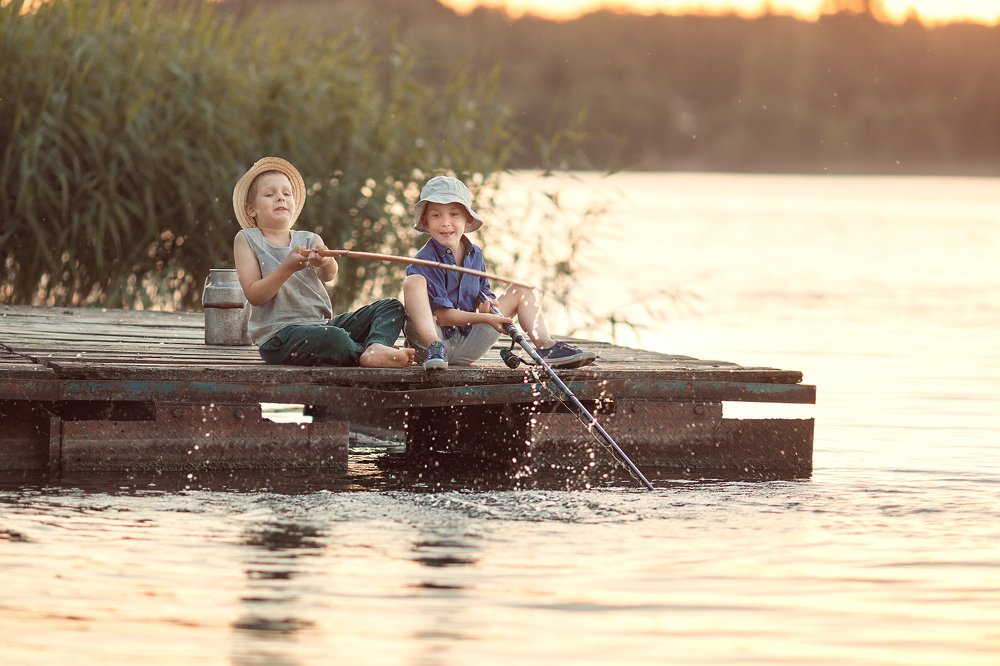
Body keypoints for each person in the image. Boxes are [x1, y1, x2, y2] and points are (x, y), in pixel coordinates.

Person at [232, 156, 414, 368]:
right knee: (334, 338)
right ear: (251, 209)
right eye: (270, 194)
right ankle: (361, 353)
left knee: (391, 307)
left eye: (286, 193)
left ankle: (375, 347)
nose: (280, 198)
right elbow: (255, 295)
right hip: (279, 337)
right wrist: (287, 268)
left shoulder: (309, 238)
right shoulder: (247, 239)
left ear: (294, 202)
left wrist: (325, 262)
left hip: (322, 325)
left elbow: (329, 275)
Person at [402, 175, 597, 371]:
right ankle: (435, 346)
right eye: (436, 215)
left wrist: (488, 306)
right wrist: (486, 319)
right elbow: (443, 317)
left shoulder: (475, 254)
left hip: (465, 342)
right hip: (430, 347)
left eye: (454, 214)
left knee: (521, 289)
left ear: (467, 219)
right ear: (426, 221)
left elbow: (483, 294)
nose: (445, 223)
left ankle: (546, 346)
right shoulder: (423, 259)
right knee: (413, 281)